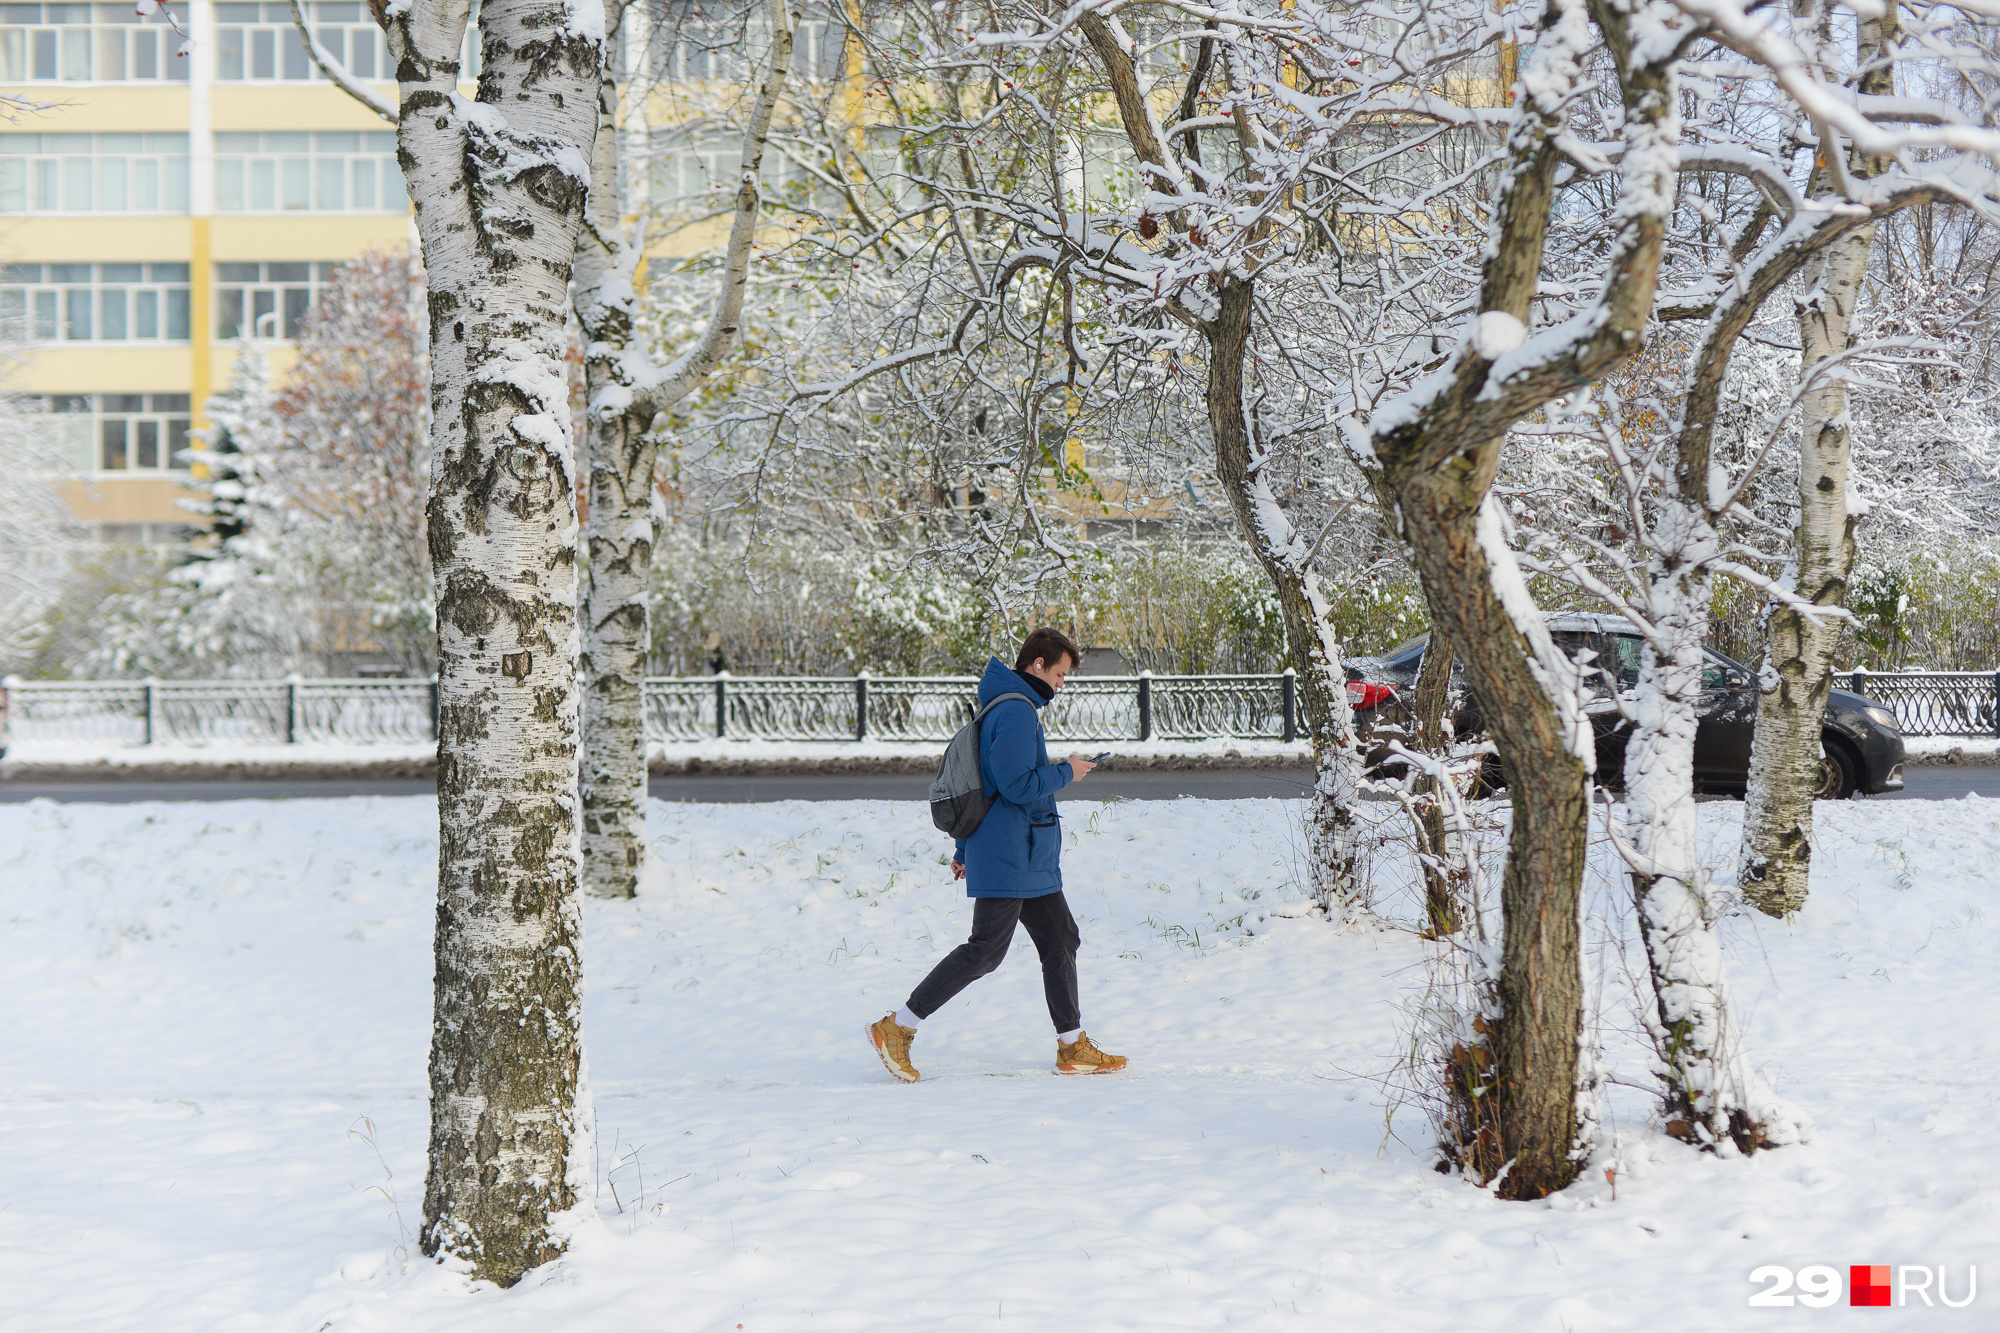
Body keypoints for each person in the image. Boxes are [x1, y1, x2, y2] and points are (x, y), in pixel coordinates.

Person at [867, 627, 1128, 1082]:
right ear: (1038, 665)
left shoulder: (1006, 706)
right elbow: (1015, 786)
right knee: (985, 951)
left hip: (1023, 855)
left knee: (1061, 938)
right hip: (1012, 855)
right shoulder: (1016, 712)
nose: (1063, 684)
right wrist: (1069, 771)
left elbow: (988, 782)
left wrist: (965, 847)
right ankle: (897, 1027)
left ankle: (1073, 1047)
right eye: (1061, 674)